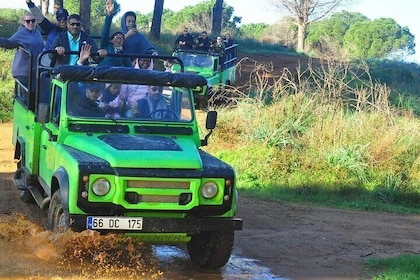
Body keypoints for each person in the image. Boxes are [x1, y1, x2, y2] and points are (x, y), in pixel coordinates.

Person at [0, 12, 44, 104]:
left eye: (33, 21)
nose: (31, 23)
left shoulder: (37, 33)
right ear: (24, 23)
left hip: (35, 71)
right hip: (23, 71)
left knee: (35, 97)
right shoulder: (21, 33)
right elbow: (9, 43)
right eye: (28, 21)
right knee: (26, 100)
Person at [98, 0, 131, 67]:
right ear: (112, 39)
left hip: (115, 75)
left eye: (121, 39)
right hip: (102, 72)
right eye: (116, 38)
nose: (118, 40)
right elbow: (105, 31)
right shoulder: (106, 46)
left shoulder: (124, 53)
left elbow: (129, 67)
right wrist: (109, 15)